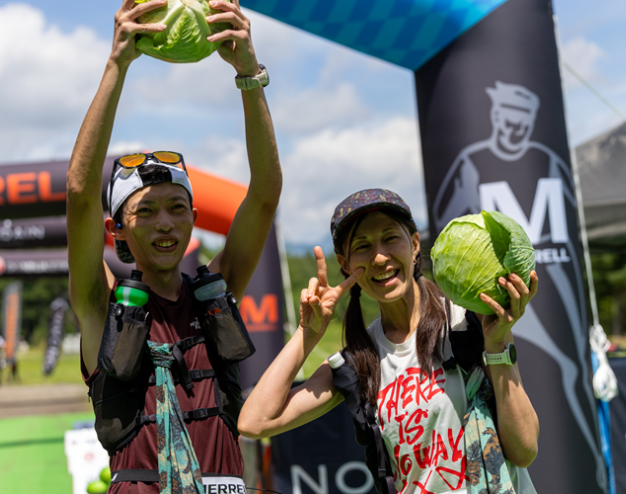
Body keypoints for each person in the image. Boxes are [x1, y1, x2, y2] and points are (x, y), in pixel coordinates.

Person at [66, 0, 281, 492]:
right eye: (145, 211)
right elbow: (79, 193)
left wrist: (249, 75)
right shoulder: (100, 304)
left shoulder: (216, 292)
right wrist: (117, 64)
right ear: (116, 229)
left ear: (194, 219)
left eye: (177, 207)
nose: (164, 222)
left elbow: (265, 193)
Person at [238, 190, 539, 494]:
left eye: (390, 238)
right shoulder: (358, 362)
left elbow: (525, 450)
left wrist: (496, 346)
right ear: (345, 263)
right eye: (363, 246)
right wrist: (307, 333)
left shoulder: (469, 322)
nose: (380, 257)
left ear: (415, 244)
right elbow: (254, 421)